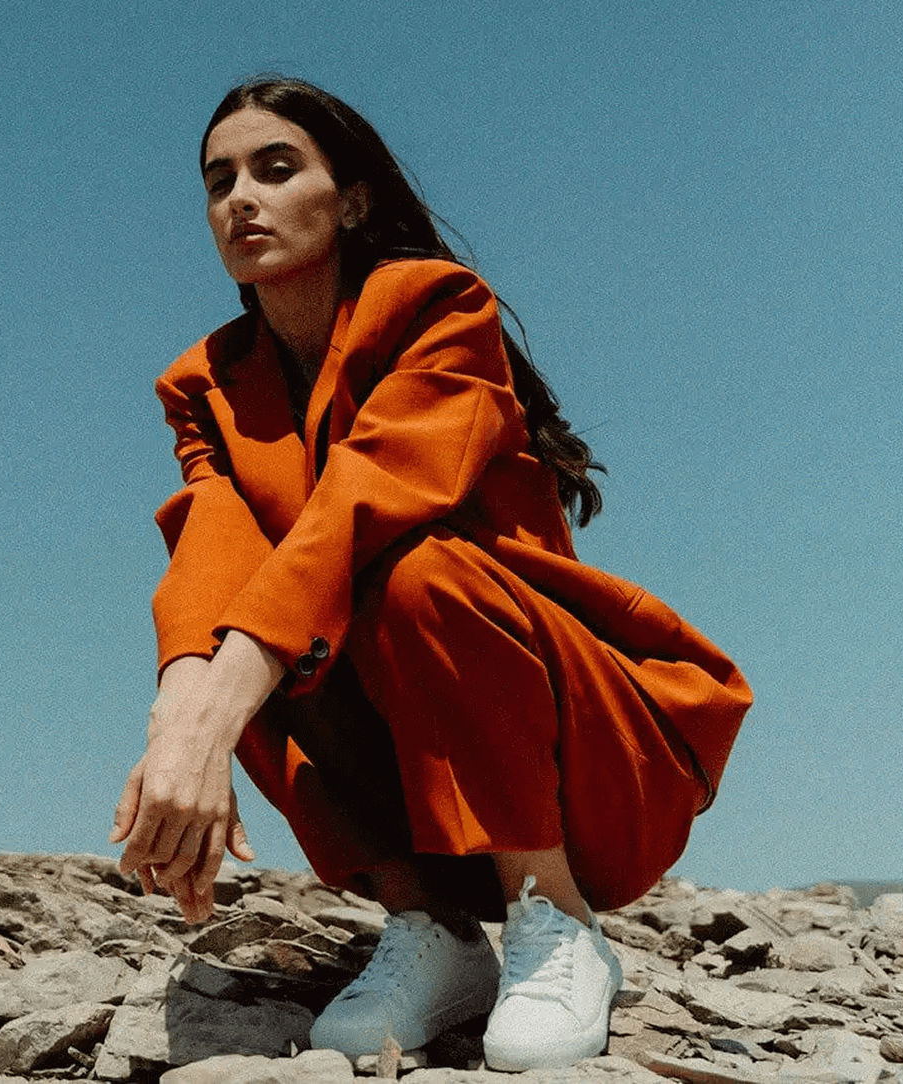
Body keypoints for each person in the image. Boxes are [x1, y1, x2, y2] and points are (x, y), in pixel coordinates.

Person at [109, 78, 752, 1071]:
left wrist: (209, 719)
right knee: (239, 621)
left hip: (580, 760)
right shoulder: (206, 384)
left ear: (353, 200)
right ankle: (433, 932)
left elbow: (363, 501)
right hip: (411, 783)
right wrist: (180, 722)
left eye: (275, 169)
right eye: (219, 180)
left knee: (408, 574)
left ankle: (554, 919)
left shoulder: (439, 309)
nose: (241, 198)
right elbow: (213, 541)